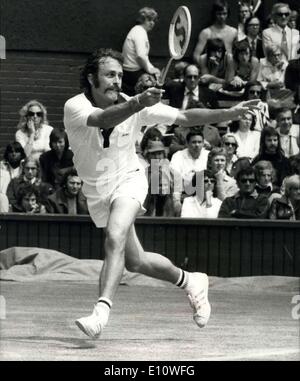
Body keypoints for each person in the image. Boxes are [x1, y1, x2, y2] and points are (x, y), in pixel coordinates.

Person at [63, 48, 259, 339]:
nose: (116, 80)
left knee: (114, 236)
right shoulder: (75, 106)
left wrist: (228, 112)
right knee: (135, 261)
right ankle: (191, 280)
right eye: (109, 74)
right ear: (92, 78)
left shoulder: (136, 104)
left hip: (129, 181)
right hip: (97, 191)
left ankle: (100, 312)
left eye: (119, 74)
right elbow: (104, 119)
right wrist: (140, 103)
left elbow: (184, 116)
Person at [122, 7, 160, 96]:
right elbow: (140, 56)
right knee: (155, 83)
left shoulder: (139, 30)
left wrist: (153, 68)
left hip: (133, 71)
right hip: (132, 73)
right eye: (149, 20)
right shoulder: (139, 32)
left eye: (153, 20)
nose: (152, 23)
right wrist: (150, 70)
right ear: (142, 19)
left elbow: (144, 57)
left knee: (157, 75)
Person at [193, 0, 238, 64]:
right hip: (210, 66)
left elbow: (239, 53)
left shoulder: (233, 32)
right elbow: (196, 55)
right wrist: (205, 66)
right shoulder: (206, 33)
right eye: (219, 14)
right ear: (214, 14)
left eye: (224, 13)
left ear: (228, 14)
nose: (222, 17)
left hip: (228, 67)